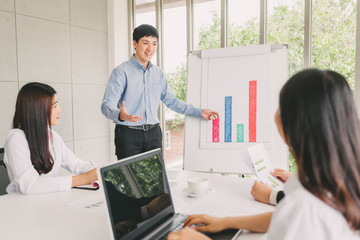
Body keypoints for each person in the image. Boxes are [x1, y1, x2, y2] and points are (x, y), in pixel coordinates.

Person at [168, 69, 360, 240]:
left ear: (295, 123)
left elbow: (295, 216)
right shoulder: (338, 181)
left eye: (281, 105)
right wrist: (227, 222)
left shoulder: (306, 209)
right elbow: (284, 217)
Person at [101, 24, 218, 160]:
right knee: (130, 180)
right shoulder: (121, 72)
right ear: (135, 43)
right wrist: (121, 115)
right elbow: (106, 105)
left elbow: (172, 101)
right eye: (145, 43)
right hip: (128, 135)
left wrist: (199, 111)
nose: (150, 48)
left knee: (155, 179)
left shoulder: (158, 73)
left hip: (153, 135)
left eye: (154, 44)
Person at [4, 82, 98, 194]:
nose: (60, 110)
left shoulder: (52, 136)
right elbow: (30, 185)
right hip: (23, 205)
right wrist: (84, 179)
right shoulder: (16, 139)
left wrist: (101, 170)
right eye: (55, 106)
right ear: (38, 111)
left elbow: (76, 164)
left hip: (47, 200)